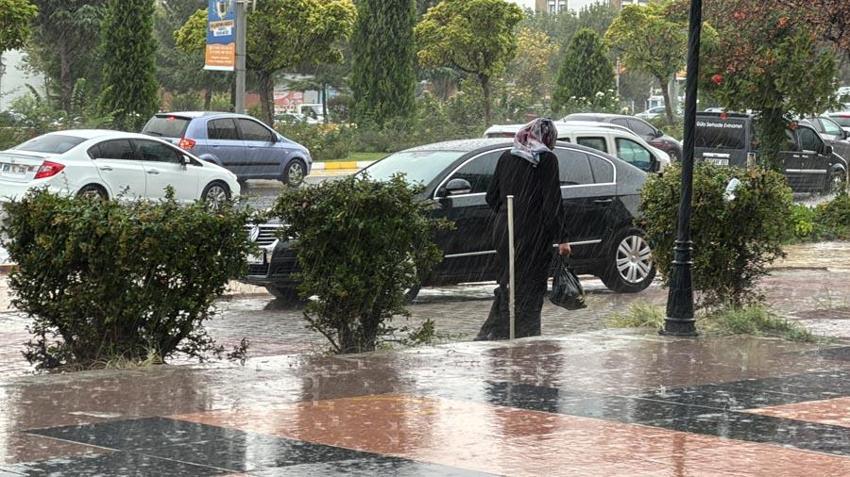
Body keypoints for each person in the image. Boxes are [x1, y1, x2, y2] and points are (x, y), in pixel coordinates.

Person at [475, 118, 571, 340]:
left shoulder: (507, 156)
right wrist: (562, 238)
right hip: (532, 234)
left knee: (508, 281)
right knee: (531, 286)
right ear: (548, 138)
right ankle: (526, 333)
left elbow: (491, 196)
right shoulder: (546, 160)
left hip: (504, 229)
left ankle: (495, 331)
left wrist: (511, 213)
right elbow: (552, 202)